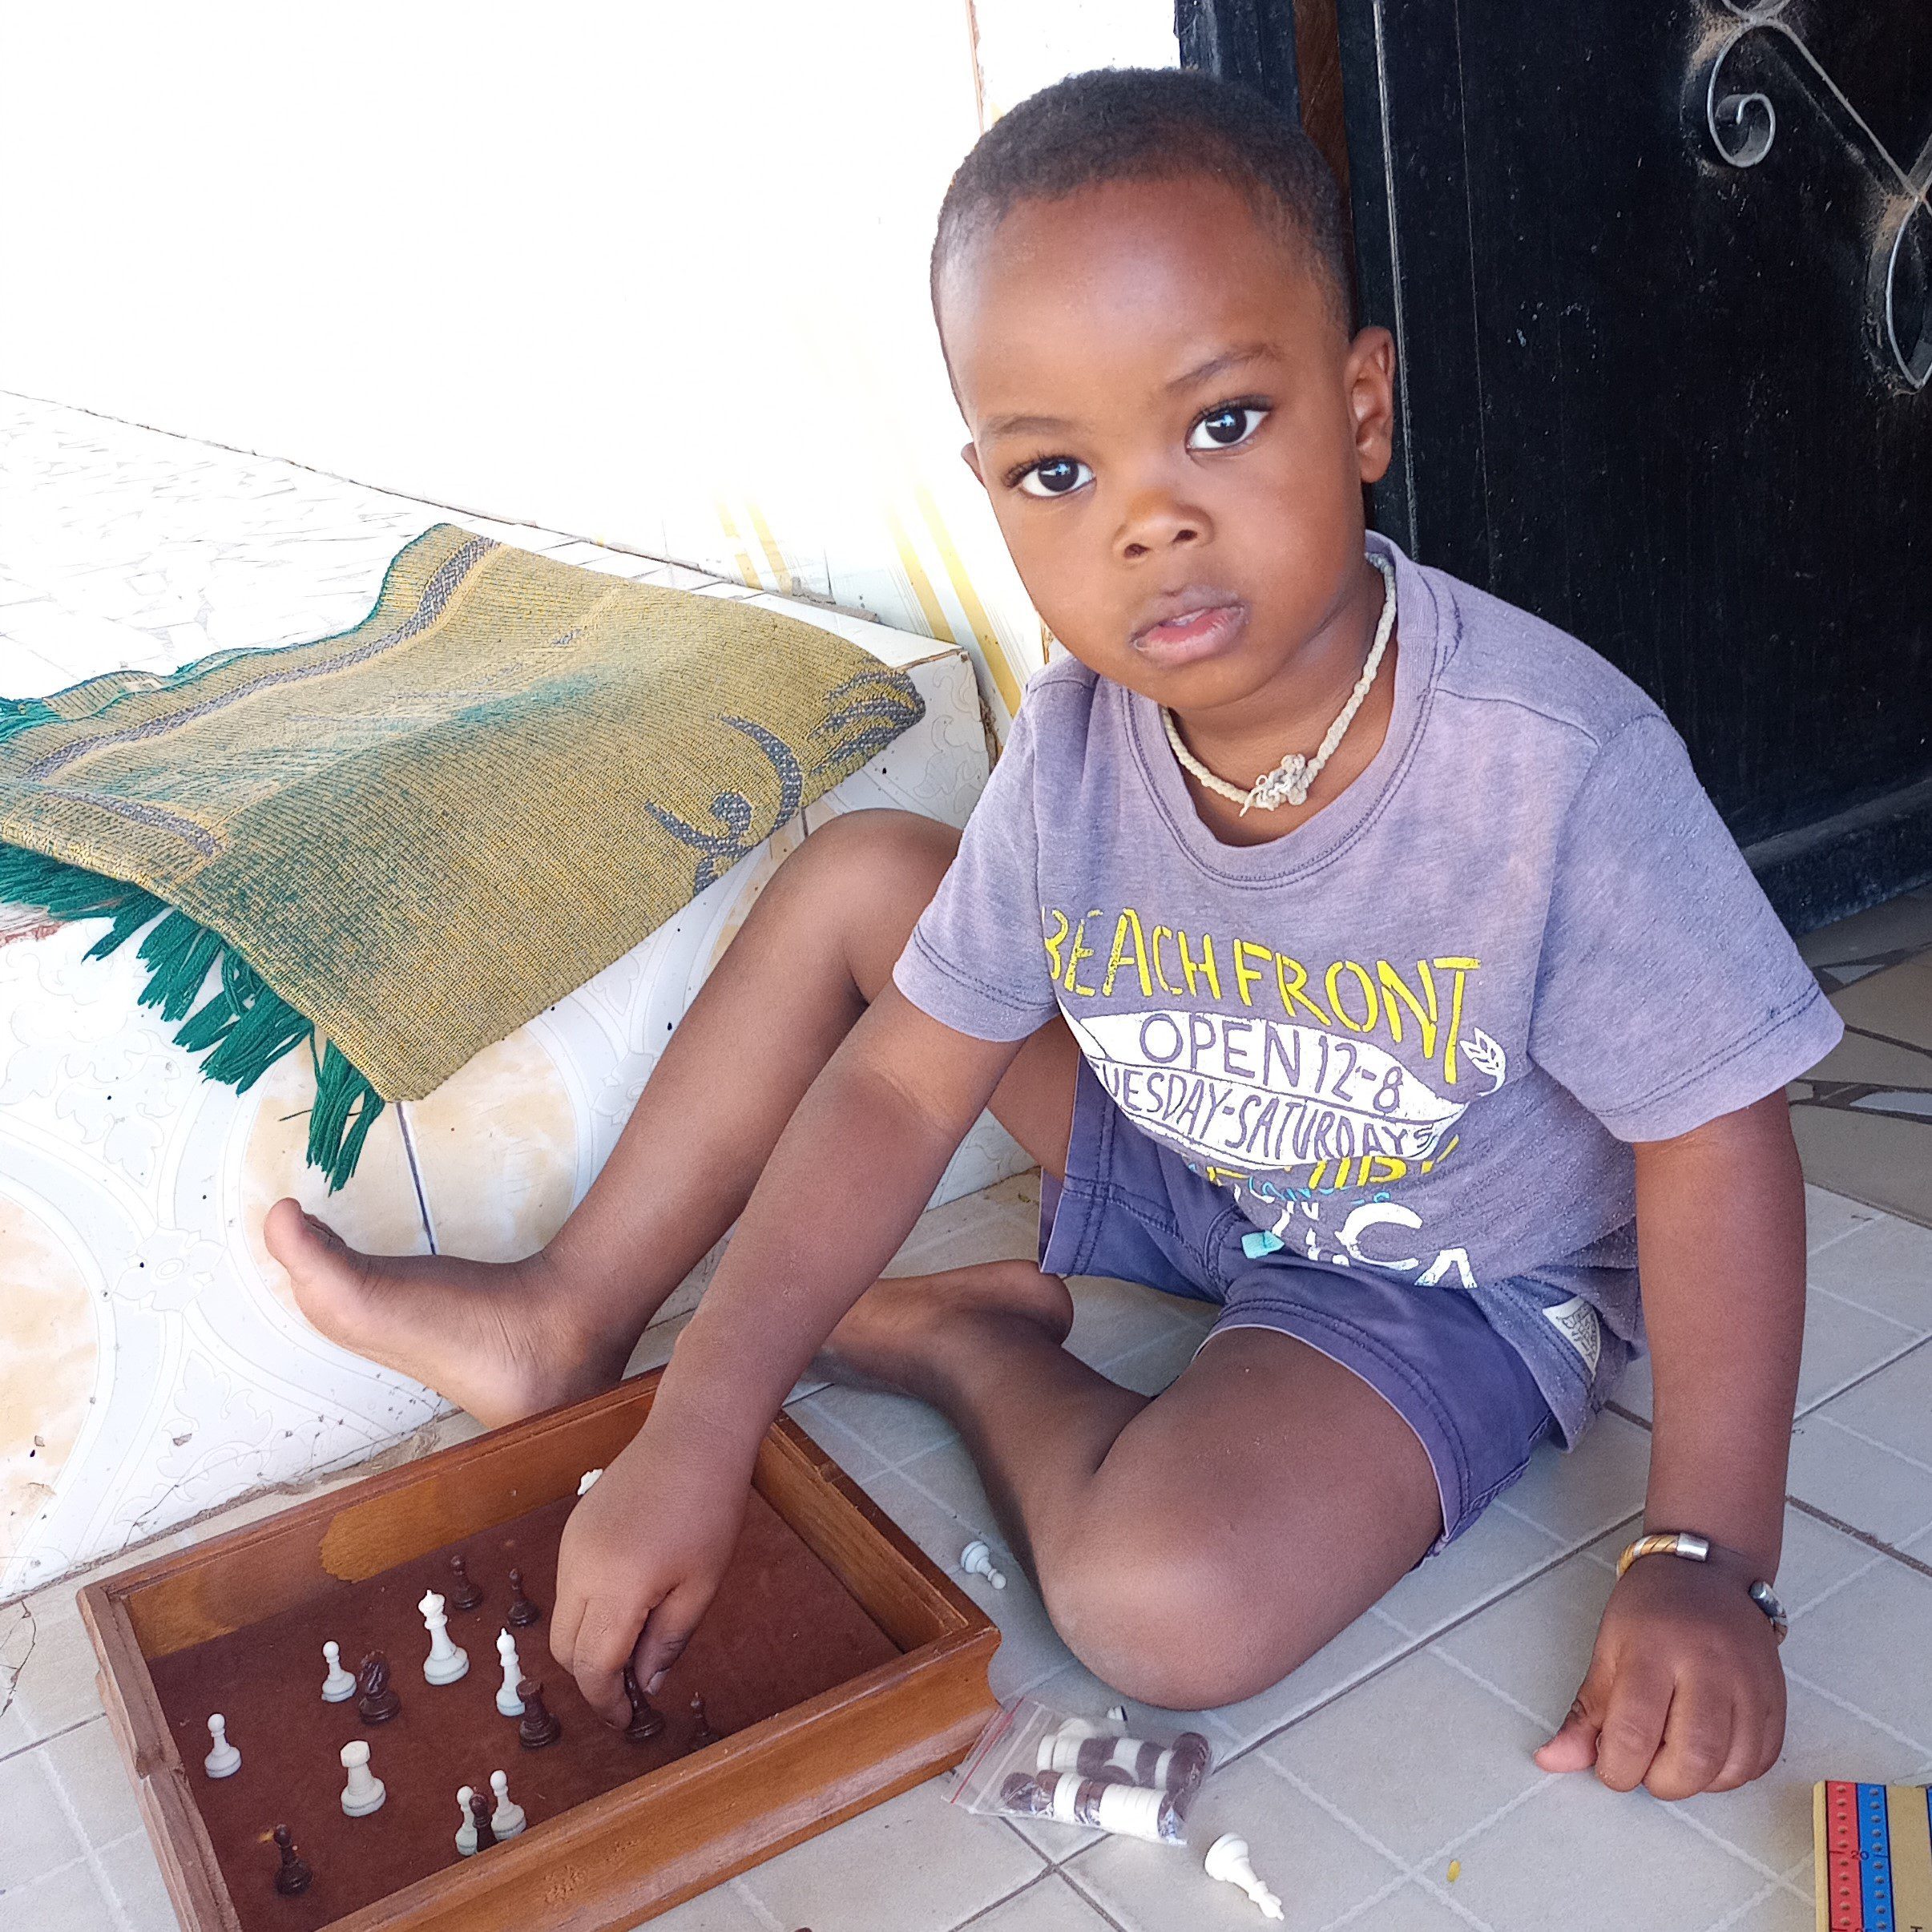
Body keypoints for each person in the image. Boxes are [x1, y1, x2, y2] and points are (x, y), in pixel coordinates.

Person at [265, 67, 1842, 1801]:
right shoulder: (1082, 739)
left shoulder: (1553, 766)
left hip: (1449, 1276)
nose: (1146, 521)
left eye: (1223, 424)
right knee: (873, 875)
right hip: (1206, 1159)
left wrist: (1704, 1553)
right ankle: (570, 1314)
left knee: (1164, 1609)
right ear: (990, 490)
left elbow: (1713, 1141)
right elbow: (892, 1090)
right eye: (1057, 469)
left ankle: (968, 1347)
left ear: (1364, 404)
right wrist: (696, 1424)